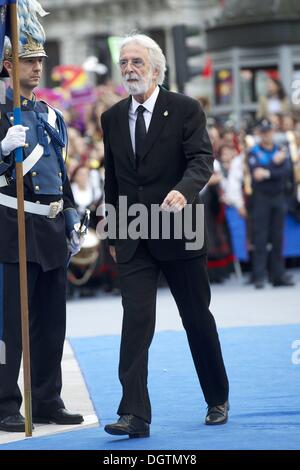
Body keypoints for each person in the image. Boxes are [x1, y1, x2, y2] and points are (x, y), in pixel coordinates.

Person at [101, 34, 229, 438]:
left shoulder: (186, 109)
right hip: (134, 232)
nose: (129, 69)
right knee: (136, 321)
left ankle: (217, 397)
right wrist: (113, 231)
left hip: (180, 227)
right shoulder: (112, 118)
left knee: (195, 318)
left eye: (136, 62)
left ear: (156, 69)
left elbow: (201, 160)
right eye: (124, 63)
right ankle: (133, 415)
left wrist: (185, 189)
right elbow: (113, 180)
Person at [0, 4, 84, 432]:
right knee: (9, 326)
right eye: (28, 61)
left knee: (51, 323)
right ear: (8, 64)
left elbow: (61, 173)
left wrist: (71, 214)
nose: (36, 69)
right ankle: (4, 402)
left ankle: (47, 398)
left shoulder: (51, 115)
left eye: (39, 62)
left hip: (50, 229)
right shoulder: (1, 113)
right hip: (12, 228)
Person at [248, 119, 294, 289]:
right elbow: (256, 175)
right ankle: (259, 276)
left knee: (277, 237)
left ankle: (278, 275)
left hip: (278, 197)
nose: (267, 134)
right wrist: (274, 163)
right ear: (260, 133)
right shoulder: (254, 152)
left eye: (269, 131)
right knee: (260, 237)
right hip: (261, 198)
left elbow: (285, 171)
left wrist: (267, 171)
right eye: (264, 132)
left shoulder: (280, 149)